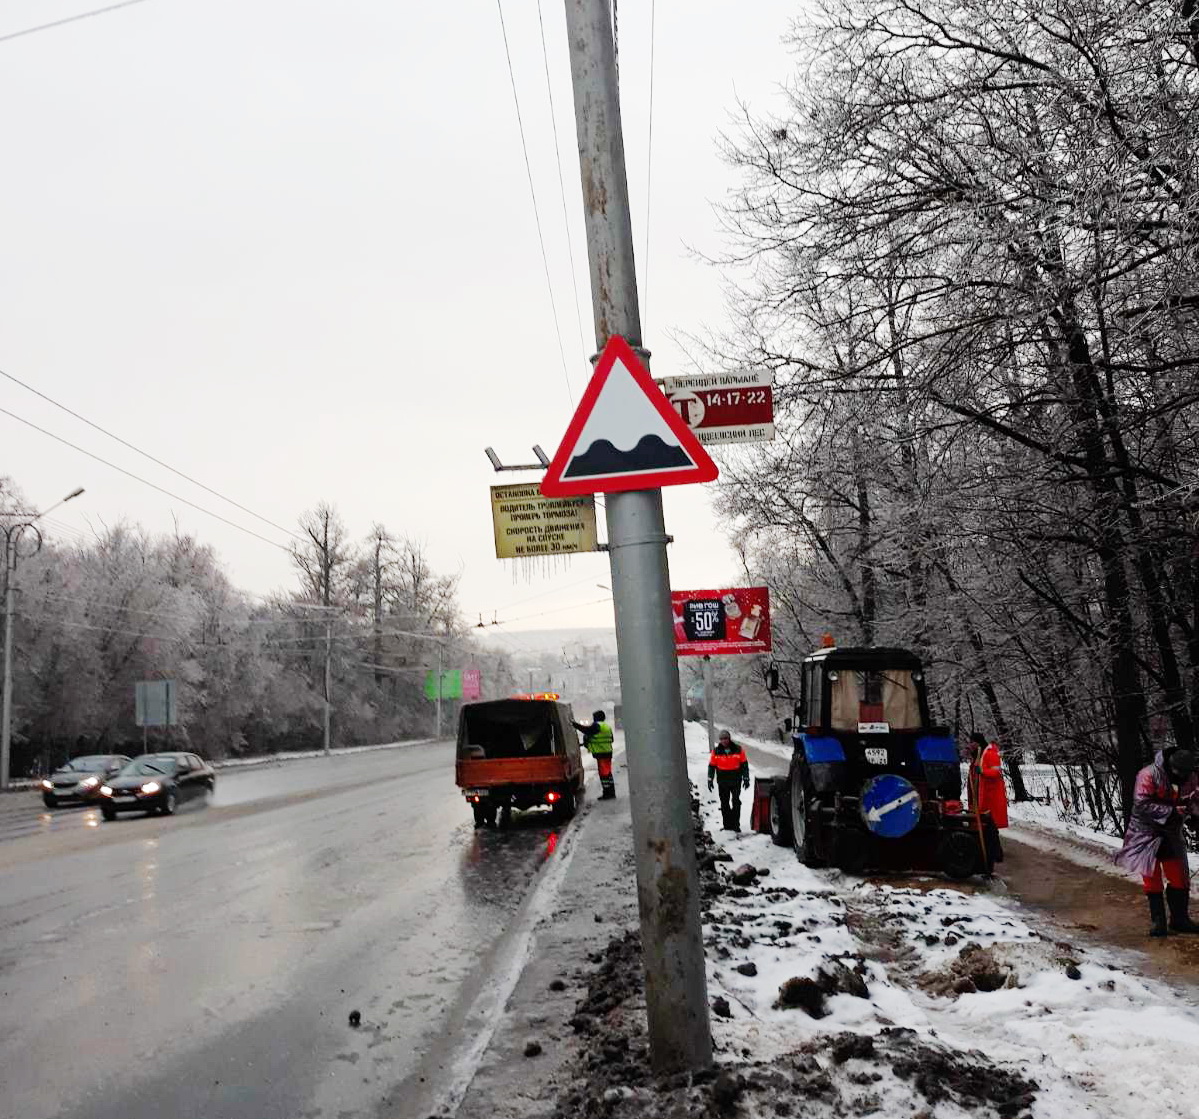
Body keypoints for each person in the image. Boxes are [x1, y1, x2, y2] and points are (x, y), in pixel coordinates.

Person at [1116, 747, 1199, 937]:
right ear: (1171, 766)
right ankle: (1158, 922)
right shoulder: (1148, 774)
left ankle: (1180, 920)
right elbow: (1141, 803)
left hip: (1171, 833)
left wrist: (1195, 817)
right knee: (1152, 878)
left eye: (1187, 772)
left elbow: (1195, 799)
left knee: (1179, 876)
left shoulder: (1191, 776)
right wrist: (1171, 811)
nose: (1183, 776)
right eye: (1179, 772)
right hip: (1145, 832)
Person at [707, 729, 750, 832]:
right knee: (724, 803)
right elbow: (712, 766)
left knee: (736, 802)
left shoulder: (738, 749)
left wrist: (746, 778)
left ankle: (736, 825)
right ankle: (727, 825)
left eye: (725, 738)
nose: (724, 741)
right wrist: (710, 779)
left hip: (736, 780)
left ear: (729, 739)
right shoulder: (716, 751)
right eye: (721, 739)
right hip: (723, 782)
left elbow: (744, 765)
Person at [966, 732, 1008, 829]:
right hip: (979, 792)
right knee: (982, 821)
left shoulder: (990, 753)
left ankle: (989, 841)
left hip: (989, 793)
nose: (970, 745)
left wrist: (982, 771)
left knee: (989, 822)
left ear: (978, 742)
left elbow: (996, 772)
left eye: (972, 742)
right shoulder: (977, 755)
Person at [573, 709, 615, 799]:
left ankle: (607, 794)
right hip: (607, 752)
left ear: (596, 718)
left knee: (604, 774)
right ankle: (611, 792)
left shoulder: (597, 725)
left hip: (601, 753)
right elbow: (611, 739)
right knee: (608, 773)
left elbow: (587, 730)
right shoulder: (606, 726)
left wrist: (575, 725)